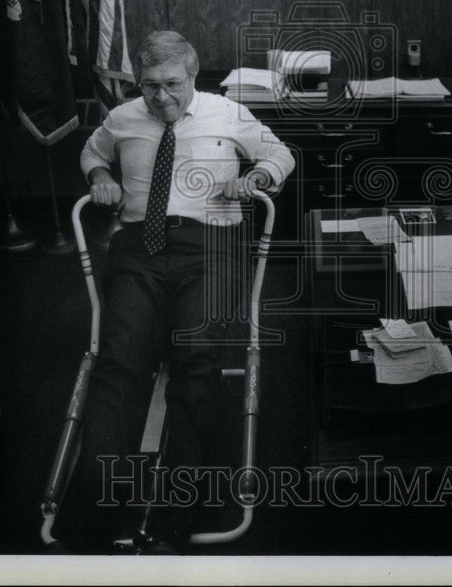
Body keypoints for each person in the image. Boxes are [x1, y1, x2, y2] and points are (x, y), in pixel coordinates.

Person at [53, 30, 294, 552]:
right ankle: (93, 513)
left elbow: (280, 153)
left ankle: (175, 513)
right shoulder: (122, 118)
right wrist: (100, 176)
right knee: (118, 361)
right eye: (149, 86)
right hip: (138, 247)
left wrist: (255, 178)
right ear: (137, 82)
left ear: (194, 74)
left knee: (197, 357)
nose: (160, 97)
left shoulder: (226, 113)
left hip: (211, 245)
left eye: (172, 84)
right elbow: (91, 152)